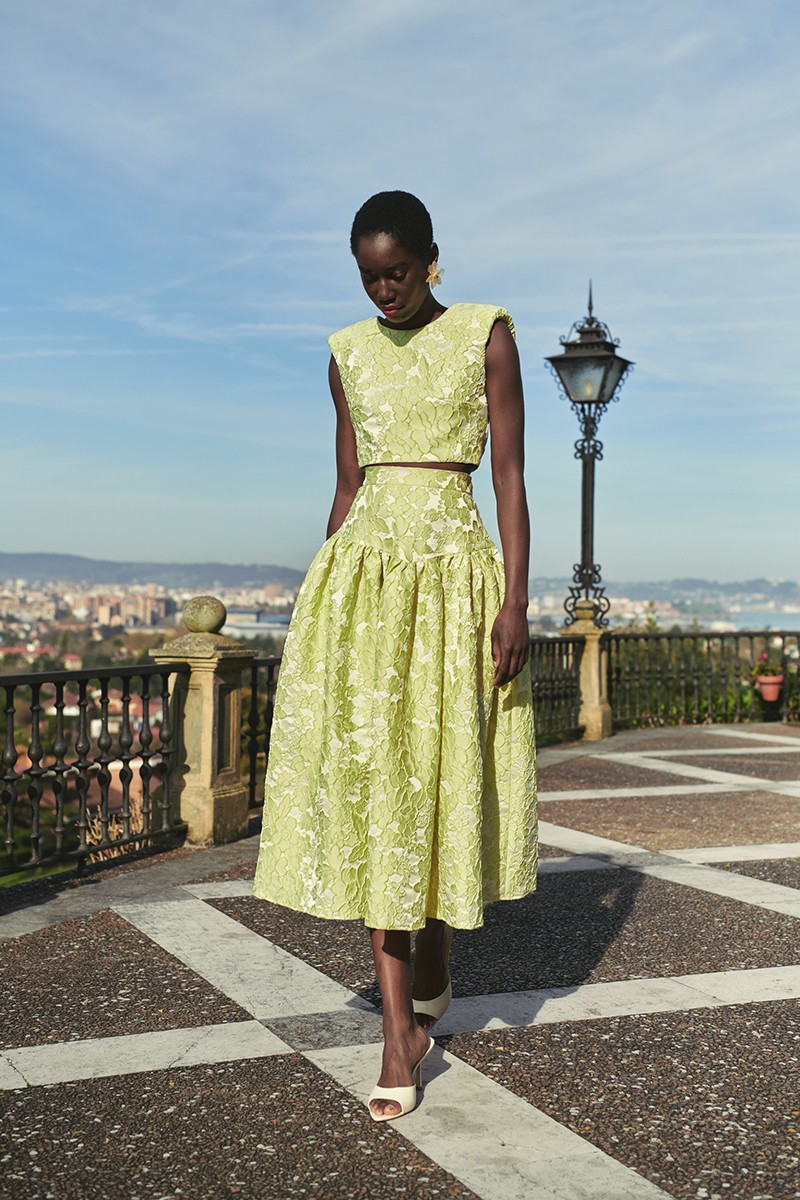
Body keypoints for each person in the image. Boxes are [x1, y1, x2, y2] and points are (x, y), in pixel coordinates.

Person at [253, 190, 537, 1121]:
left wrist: (516, 601)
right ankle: (395, 1041)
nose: (384, 290)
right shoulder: (343, 354)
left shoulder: (486, 335)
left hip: (455, 585)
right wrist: (322, 602)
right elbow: (345, 486)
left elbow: (507, 476)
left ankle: (436, 953)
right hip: (367, 589)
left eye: (399, 272)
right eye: (370, 275)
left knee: (442, 780)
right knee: (381, 791)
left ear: (431, 259)